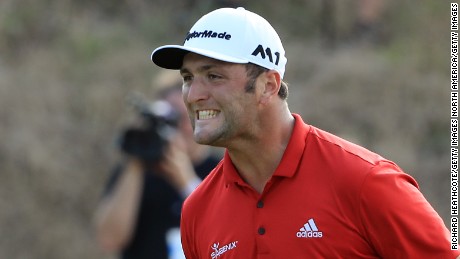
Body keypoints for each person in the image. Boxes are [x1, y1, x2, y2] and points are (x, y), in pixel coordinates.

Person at [150, 7, 458, 258]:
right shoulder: (197, 211)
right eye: (188, 78)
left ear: (268, 85)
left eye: (213, 76)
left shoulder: (366, 181)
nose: (192, 95)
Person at [93, 78, 221, 259]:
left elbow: (228, 234)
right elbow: (109, 239)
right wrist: (137, 161)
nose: (174, 127)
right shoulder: (137, 171)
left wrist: (186, 182)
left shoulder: (220, 171)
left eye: (180, 118)